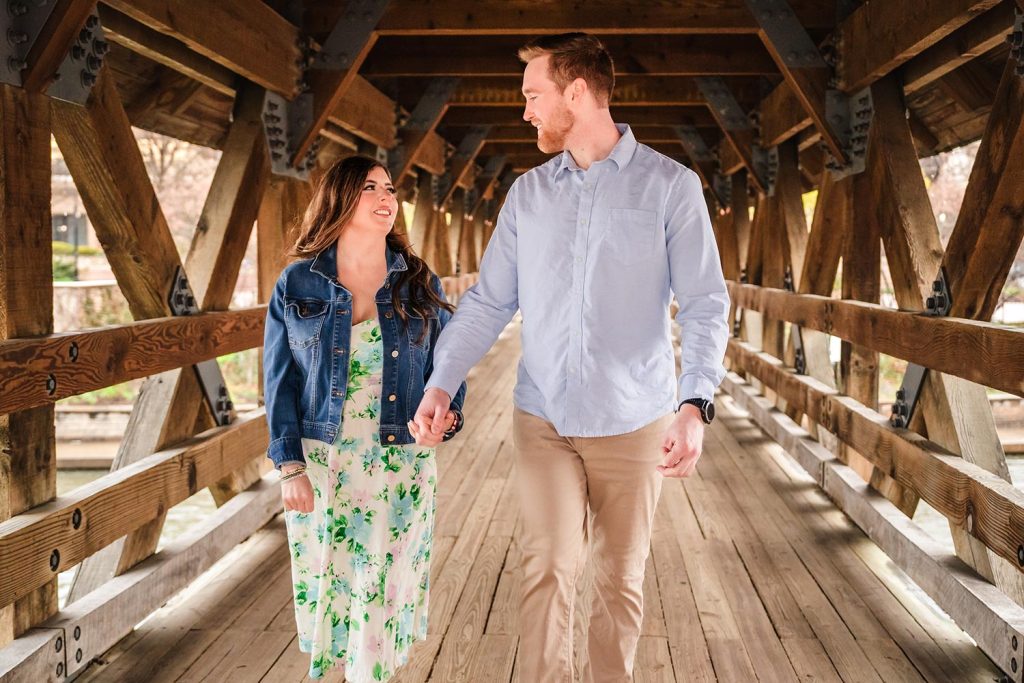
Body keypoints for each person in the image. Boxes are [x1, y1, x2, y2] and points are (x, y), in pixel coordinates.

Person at [411, 33, 729, 682]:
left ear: (577, 94)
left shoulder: (672, 188)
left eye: (533, 96)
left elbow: (704, 302)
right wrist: (441, 380)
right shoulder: (528, 195)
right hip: (544, 418)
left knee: (619, 582)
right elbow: (488, 302)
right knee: (549, 567)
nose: (525, 111)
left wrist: (695, 403)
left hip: (635, 419)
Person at [262, 155, 467, 682]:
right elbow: (278, 380)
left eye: (390, 188)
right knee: (330, 585)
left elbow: (450, 367)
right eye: (370, 187)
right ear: (339, 199)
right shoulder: (297, 284)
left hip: (400, 461)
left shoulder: (420, 282)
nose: (386, 197)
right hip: (322, 460)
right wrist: (289, 467)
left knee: (380, 594)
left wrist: (448, 417)